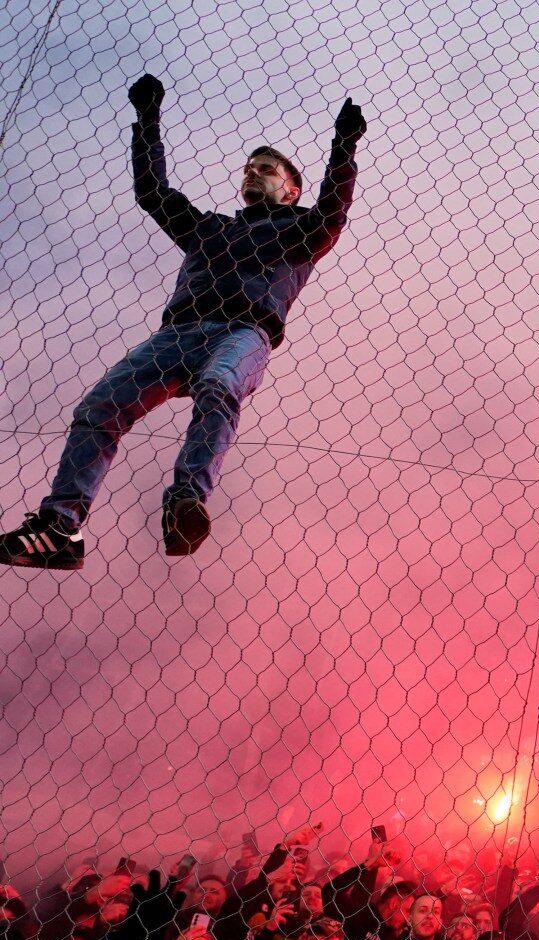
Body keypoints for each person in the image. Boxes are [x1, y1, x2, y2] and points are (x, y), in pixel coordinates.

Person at [0, 74, 364, 569]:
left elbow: (332, 211)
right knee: (101, 404)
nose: (253, 174)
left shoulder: (300, 231)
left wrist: (343, 147)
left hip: (243, 331)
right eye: (249, 168)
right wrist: (147, 118)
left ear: (290, 188)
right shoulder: (209, 227)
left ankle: (186, 502)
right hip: (176, 334)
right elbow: (153, 192)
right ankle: (61, 528)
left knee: (219, 386)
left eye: (266, 169)